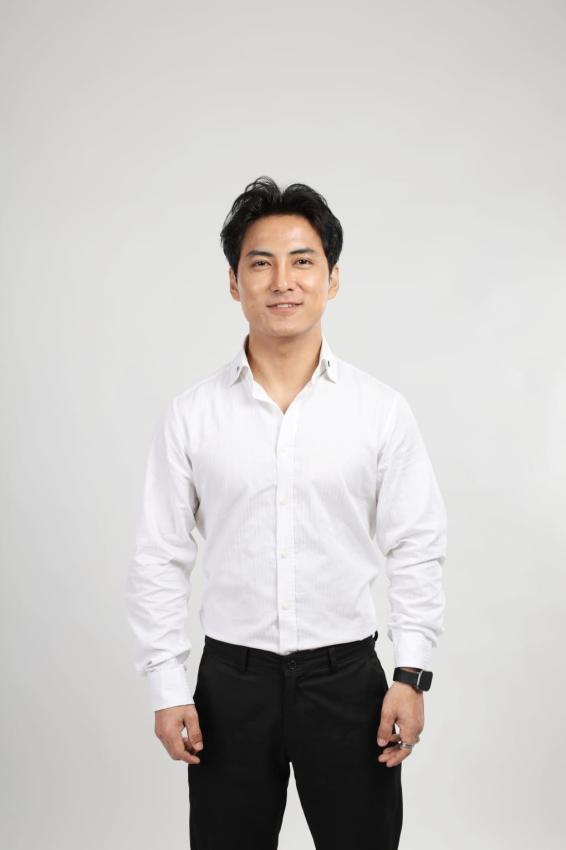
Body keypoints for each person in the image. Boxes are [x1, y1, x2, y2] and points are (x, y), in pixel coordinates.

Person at [126, 175, 447, 850]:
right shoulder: (192, 416)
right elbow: (160, 555)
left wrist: (411, 674)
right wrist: (166, 686)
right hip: (230, 687)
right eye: (260, 263)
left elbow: (416, 544)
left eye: (303, 261)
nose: (283, 282)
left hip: (348, 682)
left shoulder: (379, 412)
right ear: (233, 281)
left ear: (332, 279)